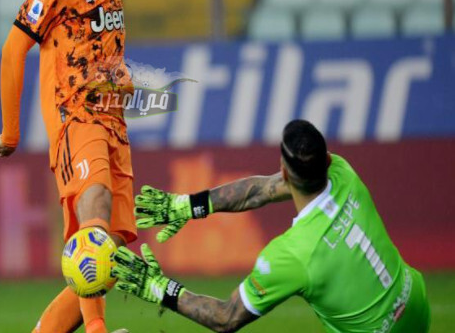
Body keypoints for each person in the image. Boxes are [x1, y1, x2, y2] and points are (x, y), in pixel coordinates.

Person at [113, 119, 431, 333]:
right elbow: (260, 191)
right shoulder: (344, 173)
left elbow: (226, 318)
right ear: (328, 160)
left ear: (284, 170)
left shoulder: (290, 255)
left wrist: (156, 288)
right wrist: (187, 206)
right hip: (415, 301)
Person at [0, 0, 135, 333]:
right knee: (93, 209)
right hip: (76, 119)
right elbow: (14, 50)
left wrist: (118, 74)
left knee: (112, 253)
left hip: (113, 120)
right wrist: (12, 132)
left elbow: (100, 36)